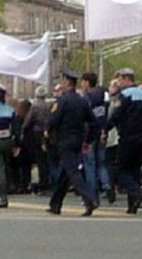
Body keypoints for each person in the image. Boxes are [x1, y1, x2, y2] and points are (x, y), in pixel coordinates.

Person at [45, 70, 99, 216]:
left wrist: (47, 133)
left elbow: (53, 120)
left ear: (66, 83)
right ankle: (55, 204)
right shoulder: (82, 101)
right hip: (78, 141)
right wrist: (88, 140)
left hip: (64, 141)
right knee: (65, 172)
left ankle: (90, 199)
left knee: (73, 172)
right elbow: (94, 123)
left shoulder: (62, 101)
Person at [106, 68, 142, 214]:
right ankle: (132, 206)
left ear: (127, 79)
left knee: (121, 169)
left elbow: (116, 115)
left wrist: (106, 128)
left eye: (120, 79)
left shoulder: (125, 96)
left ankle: (136, 194)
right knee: (134, 170)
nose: (119, 83)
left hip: (127, 137)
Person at [81, 72, 114, 205]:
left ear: (88, 82)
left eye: (83, 82)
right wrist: (104, 131)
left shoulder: (87, 98)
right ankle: (107, 185)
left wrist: (85, 138)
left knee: (90, 165)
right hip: (101, 132)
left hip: (90, 134)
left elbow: (85, 119)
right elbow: (106, 114)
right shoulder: (104, 95)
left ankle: (93, 196)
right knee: (101, 163)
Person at [23, 86, 51, 195]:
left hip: (37, 134)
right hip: (48, 133)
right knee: (46, 160)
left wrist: (23, 130)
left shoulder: (34, 107)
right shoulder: (49, 105)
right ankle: (47, 183)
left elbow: (28, 122)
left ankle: (42, 186)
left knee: (40, 161)